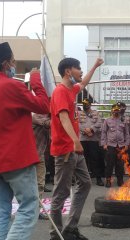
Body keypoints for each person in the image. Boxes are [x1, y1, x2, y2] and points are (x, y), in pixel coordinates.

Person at [0, 42, 50, 240]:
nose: (14, 65)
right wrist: (37, 79)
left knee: (2, 210)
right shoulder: (13, 85)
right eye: (13, 62)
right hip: (17, 159)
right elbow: (43, 105)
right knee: (29, 207)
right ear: (5, 64)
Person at [49, 57, 103, 240]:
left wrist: (95, 66)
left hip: (73, 149)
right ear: (67, 71)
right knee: (61, 193)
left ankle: (70, 229)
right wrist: (76, 141)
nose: (81, 71)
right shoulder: (60, 92)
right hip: (65, 149)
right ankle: (55, 234)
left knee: (85, 183)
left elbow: (84, 81)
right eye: (78, 68)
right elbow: (63, 118)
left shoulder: (72, 90)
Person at [101, 104, 130, 188]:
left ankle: (120, 180)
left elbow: (126, 133)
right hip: (110, 145)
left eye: (117, 111)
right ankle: (108, 180)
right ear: (112, 111)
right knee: (109, 164)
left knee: (120, 164)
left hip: (121, 145)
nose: (116, 112)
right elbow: (104, 132)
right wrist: (104, 144)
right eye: (114, 111)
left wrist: (127, 144)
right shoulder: (107, 121)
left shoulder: (123, 121)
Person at [79, 98, 104, 186]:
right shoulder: (79, 113)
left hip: (93, 139)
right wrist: (85, 131)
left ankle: (98, 178)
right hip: (83, 139)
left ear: (90, 104)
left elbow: (99, 123)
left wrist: (91, 130)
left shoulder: (95, 113)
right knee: (82, 159)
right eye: (83, 104)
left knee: (95, 159)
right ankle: (82, 180)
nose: (85, 105)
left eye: (87, 103)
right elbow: (77, 124)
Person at [32, 113, 51, 220]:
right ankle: (26, 211)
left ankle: (36, 211)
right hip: (29, 156)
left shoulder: (49, 116)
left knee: (40, 184)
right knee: (27, 185)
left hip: (40, 155)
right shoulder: (36, 116)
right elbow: (47, 123)